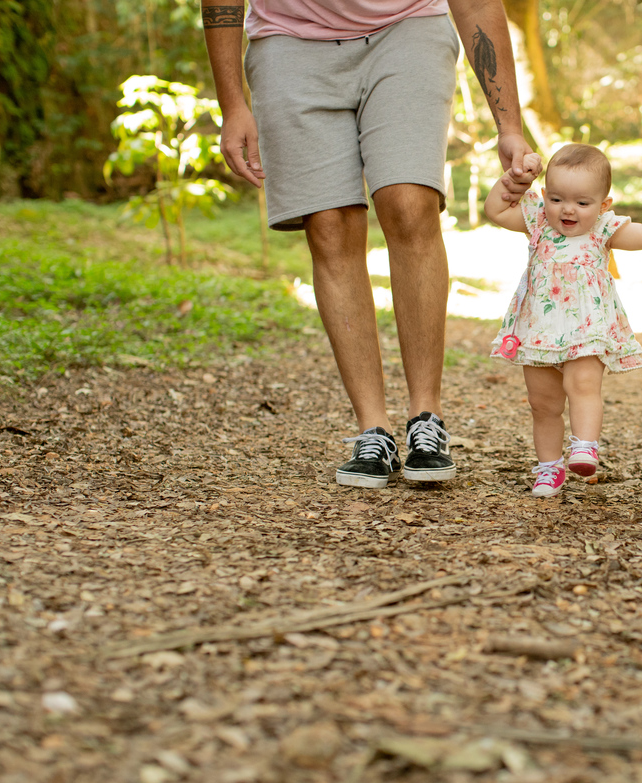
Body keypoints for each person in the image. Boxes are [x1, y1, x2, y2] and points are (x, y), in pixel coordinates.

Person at [200, 0, 536, 488]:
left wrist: (509, 125)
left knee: (409, 204)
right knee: (329, 224)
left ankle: (426, 419)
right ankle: (371, 429)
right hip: (289, 42)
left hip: (407, 28)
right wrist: (232, 104)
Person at [484, 144, 642, 497]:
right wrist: (513, 179)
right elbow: (496, 209)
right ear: (544, 196)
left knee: (583, 386)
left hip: (586, 328)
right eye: (557, 199)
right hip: (539, 330)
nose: (568, 209)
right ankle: (548, 468)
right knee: (543, 404)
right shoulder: (538, 221)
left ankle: (584, 446)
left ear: (603, 206)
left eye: (582, 203)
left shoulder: (603, 229)